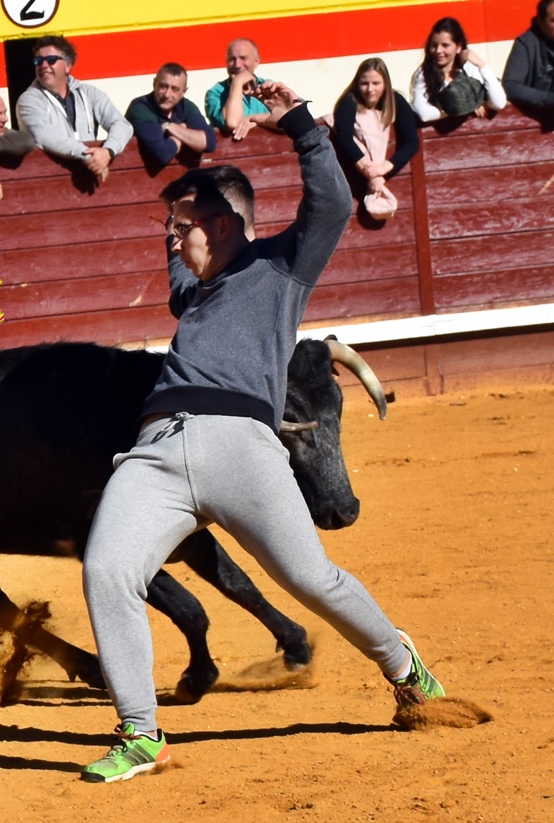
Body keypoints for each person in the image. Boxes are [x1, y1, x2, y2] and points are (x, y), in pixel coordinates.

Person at [78, 82, 446, 784]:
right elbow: (180, 249)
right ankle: (140, 732)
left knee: (311, 578)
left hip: (242, 447)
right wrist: (175, 191)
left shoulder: (279, 267)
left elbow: (331, 204)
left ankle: (403, 665)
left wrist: (302, 126)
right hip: (155, 451)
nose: (172, 238)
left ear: (221, 226)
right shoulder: (193, 291)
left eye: (182, 227)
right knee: (106, 570)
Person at [15, 35, 133, 184]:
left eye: (51, 60)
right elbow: (45, 136)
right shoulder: (28, 100)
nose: (44, 65)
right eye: (38, 61)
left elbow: (122, 125)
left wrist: (108, 151)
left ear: (68, 65)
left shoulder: (90, 93)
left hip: (92, 181)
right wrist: (89, 156)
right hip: (51, 182)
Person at [332, 57, 419, 218]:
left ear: (385, 83)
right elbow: (344, 139)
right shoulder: (349, 101)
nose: (370, 89)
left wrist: (384, 168)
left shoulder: (396, 100)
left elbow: (411, 143)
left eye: (376, 83)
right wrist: (373, 173)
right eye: (364, 83)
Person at [410, 17, 507, 121]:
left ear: (458, 47)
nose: (438, 50)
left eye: (445, 45)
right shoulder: (423, 74)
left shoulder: (468, 68)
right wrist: (466, 108)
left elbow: (499, 102)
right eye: (434, 45)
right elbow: (424, 114)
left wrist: (482, 65)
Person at [125, 63, 217, 168]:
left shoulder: (186, 106)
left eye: (175, 89)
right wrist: (180, 136)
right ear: (154, 84)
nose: (167, 94)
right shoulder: (140, 108)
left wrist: (170, 127)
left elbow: (209, 143)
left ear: (183, 92)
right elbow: (162, 154)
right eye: (163, 86)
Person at [204, 38, 272, 141]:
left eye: (243, 58)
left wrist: (256, 120)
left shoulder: (269, 87)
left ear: (257, 61)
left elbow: (290, 118)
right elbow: (233, 122)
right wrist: (238, 82)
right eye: (232, 59)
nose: (237, 65)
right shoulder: (215, 94)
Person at [502, 0, 554, 111]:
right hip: (537, 114)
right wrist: (547, 98)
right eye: (553, 21)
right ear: (541, 22)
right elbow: (510, 86)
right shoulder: (526, 43)